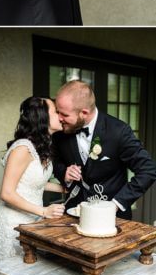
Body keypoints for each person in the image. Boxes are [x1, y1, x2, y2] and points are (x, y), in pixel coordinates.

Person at [0, 96, 65, 275]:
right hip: (13, 223)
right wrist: (44, 211)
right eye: (55, 112)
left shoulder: (40, 146)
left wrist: (63, 189)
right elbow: (7, 193)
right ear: (42, 117)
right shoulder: (22, 148)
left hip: (33, 222)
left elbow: (34, 182)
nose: (60, 116)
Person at [52, 80, 156, 218]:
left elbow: (148, 170)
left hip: (113, 217)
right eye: (57, 111)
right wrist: (64, 172)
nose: (58, 118)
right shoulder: (60, 132)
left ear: (84, 113)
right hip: (73, 213)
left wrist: (116, 204)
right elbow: (54, 160)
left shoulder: (119, 131)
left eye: (64, 114)